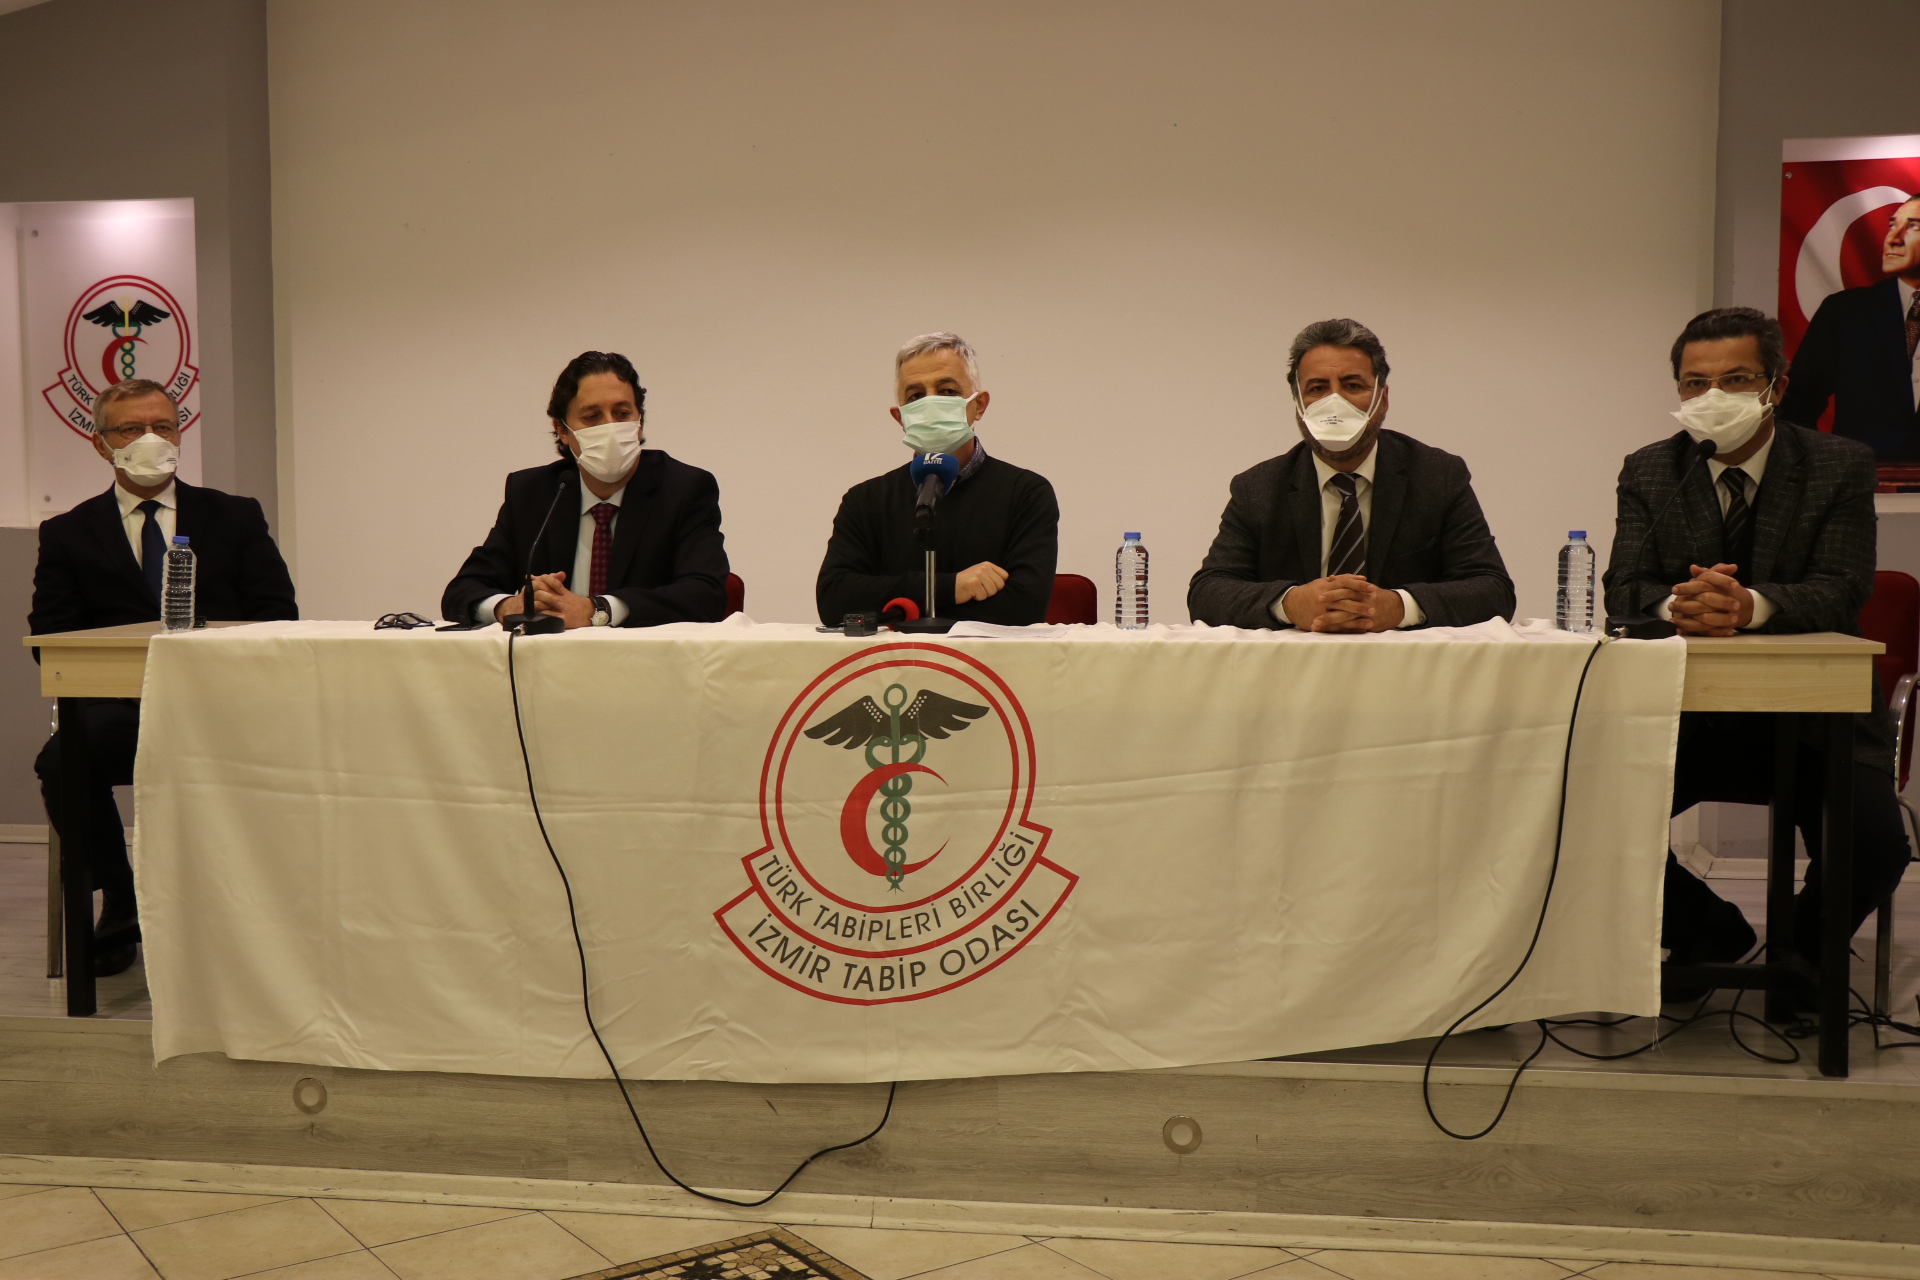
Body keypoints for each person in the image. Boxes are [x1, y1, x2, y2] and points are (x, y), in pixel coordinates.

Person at [1602, 306, 1910, 1002]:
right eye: (1695, 382)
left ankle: (1798, 955)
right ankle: (1711, 932)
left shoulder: (1838, 463)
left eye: (1736, 379)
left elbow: (1842, 588)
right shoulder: (1651, 470)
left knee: (1874, 846)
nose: (1712, 396)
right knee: (1581, 814)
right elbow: (1624, 587)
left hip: (1817, 721)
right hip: (1692, 719)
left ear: (1777, 385)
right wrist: (1674, 606)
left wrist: (1749, 607)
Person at [29, 378, 298, 976]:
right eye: (131, 428)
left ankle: (250, 916)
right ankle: (121, 899)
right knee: (63, 759)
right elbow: (52, 637)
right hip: (121, 708)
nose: (151, 438)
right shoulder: (68, 532)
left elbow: (278, 614)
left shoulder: (234, 515)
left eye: (164, 425)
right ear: (101, 443)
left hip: (222, 706)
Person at [1187, 318, 1513, 631]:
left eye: (1352, 385)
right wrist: (1289, 604)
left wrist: (1401, 607)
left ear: (1382, 399)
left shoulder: (1438, 476)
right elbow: (1207, 592)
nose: (1335, 403)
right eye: (1317, 388)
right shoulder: (1258, 488)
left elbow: (1493, 590)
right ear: (1298, 402)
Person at [442, 351, 729, 628]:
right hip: (548, 659)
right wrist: (507, 607)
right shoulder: (532, 493)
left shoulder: (685, 489)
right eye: (592, 417)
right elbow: (461, 591)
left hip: (647, 658)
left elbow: (706, 595)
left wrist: (596, 610)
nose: (610, 428)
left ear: (639, 423)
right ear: (562, 430)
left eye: (622, 413)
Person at [816, 333, 1058, 626]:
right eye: (916, 396)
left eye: (947, 391)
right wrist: (951, 588)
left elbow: (1024, 607)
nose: (931, 403)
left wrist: (901, 604)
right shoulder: (865, 501)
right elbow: (835, 601)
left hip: (987, 657)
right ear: (900, 418)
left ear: (979, 405)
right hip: (894, 657)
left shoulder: (1026, 493)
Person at [1780, 193, 1920, 462]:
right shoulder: (1845, 312)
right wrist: (1814, 467)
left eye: (1913, 226)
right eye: (1893, 225)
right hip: (1859, 478)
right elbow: (1798, 401)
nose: (1893, 238)